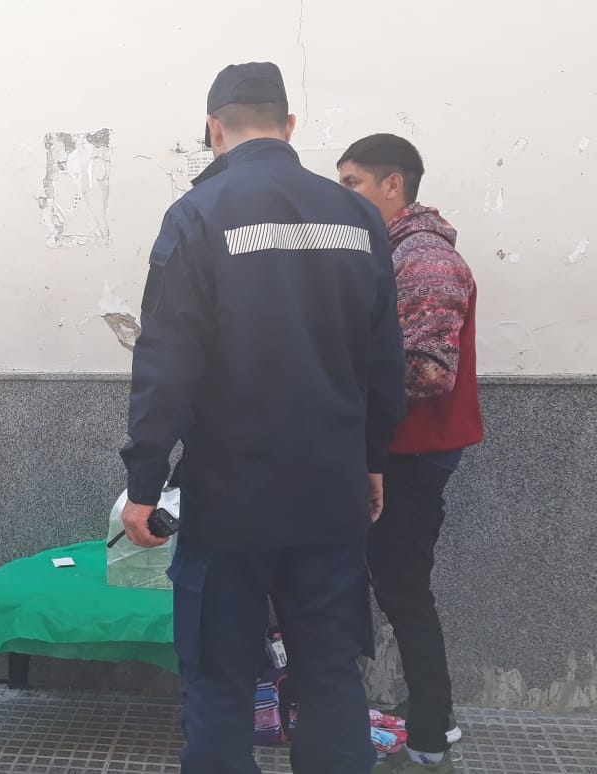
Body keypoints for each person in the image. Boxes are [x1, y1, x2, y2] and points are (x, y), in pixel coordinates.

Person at [119, 62, 407, 774]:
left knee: (221, 677)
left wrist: (145, 481)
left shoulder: (198, 214)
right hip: (331, 492)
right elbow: (384, 360)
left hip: (231, 499)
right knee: (330, 674)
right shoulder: (358, 217)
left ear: (213, 128)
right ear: (289, 126)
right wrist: (372, 461)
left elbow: (167, 363)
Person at [338, 133, 483, 773]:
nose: (345, 197)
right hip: (398, 448)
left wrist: (333, 384)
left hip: (412, 453)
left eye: (353, 184)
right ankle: (432, 717)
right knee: (398, 586)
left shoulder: (423, 258)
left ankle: (429, 735)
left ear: (392, 184)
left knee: (403, 590)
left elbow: (426, 371)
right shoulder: (393, 251)